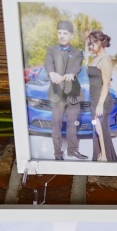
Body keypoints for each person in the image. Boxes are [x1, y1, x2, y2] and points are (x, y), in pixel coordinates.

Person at [43, 20, 86, 161]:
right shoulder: (51, 50)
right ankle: (57, 154)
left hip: (73, 94)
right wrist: (51, 73)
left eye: (65, 33)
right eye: (60, 33)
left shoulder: (78, 52)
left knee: (72, 124)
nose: (62, 36)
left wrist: (72, 74)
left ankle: (73, 151)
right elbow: (48, 63)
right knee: (56, 125)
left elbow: (77, 67)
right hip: (57, 94)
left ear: (71, 36)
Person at [84, 30, 117, 162]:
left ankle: (105, 157)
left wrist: (99, 105)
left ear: (99, 42)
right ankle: (102, 155)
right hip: (95, 100)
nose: (89, 47)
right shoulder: (95, 58)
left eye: (91, 44)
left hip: (102, 101)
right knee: (98, 129)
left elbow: (106, 84)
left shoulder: (105, 60)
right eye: (88, 44)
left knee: (100, 129)